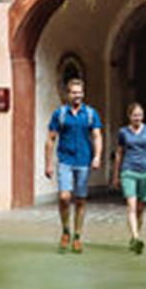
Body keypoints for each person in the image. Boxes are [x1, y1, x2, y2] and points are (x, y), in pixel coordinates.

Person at [45, 78, 102, 253]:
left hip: (83, 161)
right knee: (64, 197)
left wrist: (97, 156)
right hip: (65, 160)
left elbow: (97, 136)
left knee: (81, 200)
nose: (77, 96)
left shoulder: (91, 114)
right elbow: (50, 140)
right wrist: (47, 164)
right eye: (74, 92)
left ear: (83, 94)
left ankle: (77, 236)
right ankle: (65, 231)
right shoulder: (60, 114)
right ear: (68, 94)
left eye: (80, 92)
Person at [112, 102, 146, 254]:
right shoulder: (123, 132)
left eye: (140, 115)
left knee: (140, 208)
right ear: (129, 116)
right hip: (128, 171)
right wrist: (116, 174)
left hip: (145, 172)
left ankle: (135, 236)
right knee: (131, 206)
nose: (137, 118)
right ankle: (136, 237)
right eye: (134, 115)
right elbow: (119, 154)